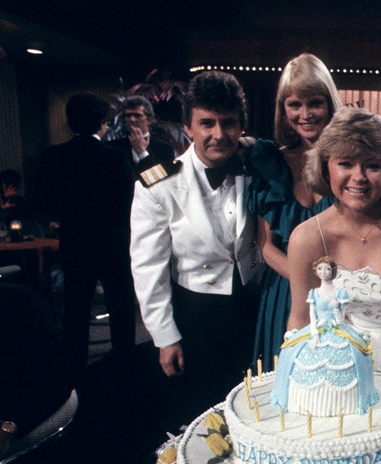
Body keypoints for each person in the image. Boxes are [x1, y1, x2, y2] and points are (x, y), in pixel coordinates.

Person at [130, 71, 261, 428]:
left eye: (229, 123)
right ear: (188, 127)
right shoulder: (159, 184)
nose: (219, 134)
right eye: (207, 123)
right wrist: (165, 336)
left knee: (254, 411)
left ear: (241, 126)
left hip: (252, 307)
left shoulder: (257, 163)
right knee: (199, 416)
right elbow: (148, 267)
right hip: (196, 315)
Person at [286, 107, 381, 400]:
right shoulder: (306, 238)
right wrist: (290, 387)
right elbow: (299, 320)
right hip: (327, 374)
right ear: (325, 167)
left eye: (372, 165)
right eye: (345, 163)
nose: (358, 177)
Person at [247, 53, 342, 370]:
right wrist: (307, 284)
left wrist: (329, 290)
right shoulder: (270, 161)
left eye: (314, 103)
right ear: (282, 108)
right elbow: (265, 246)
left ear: (329, 103)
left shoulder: (350, 163)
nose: (305, 114)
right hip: (284, 294)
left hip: (341, 295)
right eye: (294, 104)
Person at [37, 93, 137, 384]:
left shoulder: (52, 156)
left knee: (75, 307)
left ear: (69, 122)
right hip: (114, 244)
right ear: (103, 123)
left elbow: (42, 200)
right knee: (120, 306)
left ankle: (75, 367)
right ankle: (125, 364)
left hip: (75, 242)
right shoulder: (116, 157)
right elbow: (129, 201)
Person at [271, 256, 378, 416]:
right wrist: (314, 335)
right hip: (316, 329)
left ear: (333, 272)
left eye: (327, 269)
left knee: (355, 354)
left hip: (337, 329)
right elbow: (312, 318)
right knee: (292, 352)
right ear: (316, 271)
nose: (323, 272)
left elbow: (341, 320)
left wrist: (336, 307)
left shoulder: (340, 293)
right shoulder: (313, 293)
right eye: (320, 268)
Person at [109, 95, 175, 174]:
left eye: (137, 115)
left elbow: (164, 180)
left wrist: (142, 153)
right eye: (128, 115)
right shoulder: (114, 147)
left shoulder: (164, 148)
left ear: (149, 120)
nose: (132, 119)